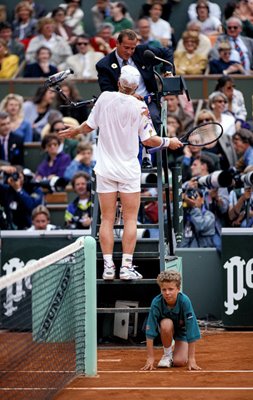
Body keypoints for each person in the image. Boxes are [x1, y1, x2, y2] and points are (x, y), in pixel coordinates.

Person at [58, 65, 182, 280]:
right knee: (130, 219)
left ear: (118, 83)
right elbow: (149, 140)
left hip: (105, 170)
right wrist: (169, 141)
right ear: (135, 87)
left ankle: (108, 267)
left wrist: (75, 131)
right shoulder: (140, 107)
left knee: (106, 219)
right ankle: (125, 267)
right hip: (128, 171)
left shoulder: (104, 98)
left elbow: (88, 125)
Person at [96, 29, 174, 168]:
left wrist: (168, 71)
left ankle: (146, 155)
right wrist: (128, 95)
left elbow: (166, 53)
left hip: (146, 101)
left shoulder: (142, 52)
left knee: (154, 118)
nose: (130, 51)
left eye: (132, 48)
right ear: (117, 44)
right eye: (126, 48)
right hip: (120, 104)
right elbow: (106, 90)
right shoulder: (104, 64)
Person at [141, 270, 201, 370]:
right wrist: (150, 358)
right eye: (164, 289)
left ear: (178, 289)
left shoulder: (185, 301)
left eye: (171, 289)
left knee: (179, 362)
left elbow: (191, 330)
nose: (167, 293)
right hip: (166, 330)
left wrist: (191, 359)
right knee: (166, 323)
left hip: (182, 333)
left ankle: (178, 352)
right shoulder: (156, 302)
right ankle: (167, 355)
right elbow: (150, 332)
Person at [0, 164, 43, 229]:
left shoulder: (33, 188)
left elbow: (31, 207)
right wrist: (1, 169)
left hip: (29, 229)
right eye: (14, 176)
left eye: (19, 177)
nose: (16, 179)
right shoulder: (7, 190)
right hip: (9, 229)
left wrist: (18, 189)